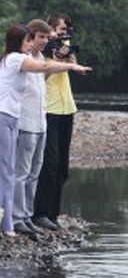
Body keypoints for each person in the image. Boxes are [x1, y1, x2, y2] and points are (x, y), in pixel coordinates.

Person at [0, 24, 91, 237]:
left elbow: (44, 70)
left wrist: (65, 63)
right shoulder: (16, 59)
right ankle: (2, 220)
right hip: (10, 120)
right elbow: (44, 68)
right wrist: (71, 66)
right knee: (5, 172)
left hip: (27, 121)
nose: (33, 43)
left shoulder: (27, 59)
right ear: (20, 41)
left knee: (20, 172)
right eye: (30, 39)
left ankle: (15, 219)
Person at [32, 13, 81, 230]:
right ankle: (39, 212)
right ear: (50, 29)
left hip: (66, 107)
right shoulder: (41, 48)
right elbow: (41, 76)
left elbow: (74, 65)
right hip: (49, 108)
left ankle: (53, 213)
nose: (62, 35)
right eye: (59, 31)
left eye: (65, 31)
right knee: (49, 163)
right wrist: (56, 60)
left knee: (62, 165)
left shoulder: (63, 45)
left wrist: (67, 56)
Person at [12, 19, 51, 234]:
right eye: (41, 37)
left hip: (40, 123)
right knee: (21, 173)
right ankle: (17, 217)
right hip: (25, 123)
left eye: (47, 37)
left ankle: (27, 215)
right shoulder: (22, 59)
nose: (44, 41)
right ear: (31, 37)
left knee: (34, 173)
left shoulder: (41, 58)